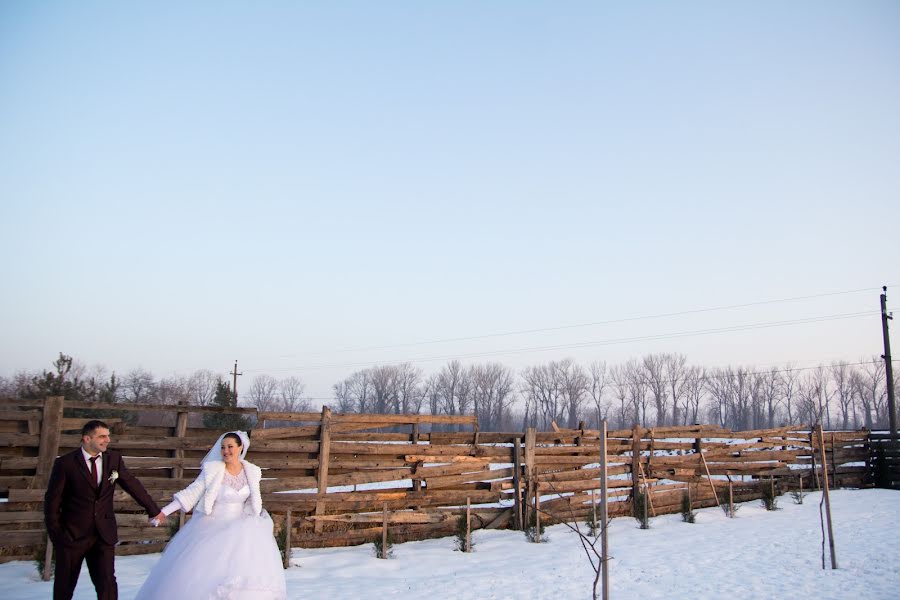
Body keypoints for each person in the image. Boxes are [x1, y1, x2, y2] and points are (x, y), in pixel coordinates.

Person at [135, 431, 287, 600]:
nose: (226, 451)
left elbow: (253, 501)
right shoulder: (213, 470)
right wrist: (164, 512)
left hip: (243, 531)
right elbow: (191, 493)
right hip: (213, 527)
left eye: (230, 447)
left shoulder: (252, 472)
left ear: (240, 448)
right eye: (223, 447)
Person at [44, 419, 166, 600]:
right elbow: (52, 502)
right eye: (102, 436)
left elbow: (131, 484)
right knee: (64, 587)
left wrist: (153, 509)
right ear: (87, 439)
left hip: (103, 534)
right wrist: (58, 536)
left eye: (108, 436)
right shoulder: (66, 464)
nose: (107, 440)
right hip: (72, 536)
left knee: (107, 585)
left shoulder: (113, 459)